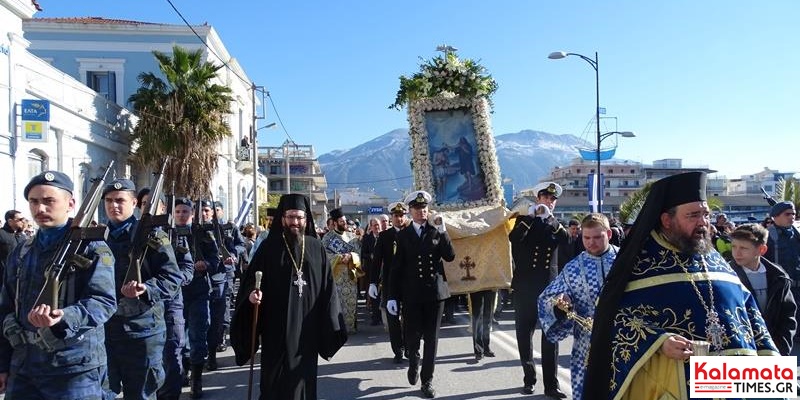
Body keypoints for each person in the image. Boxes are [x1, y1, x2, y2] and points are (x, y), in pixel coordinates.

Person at [583, 172, 779, 400]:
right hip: (677, 384)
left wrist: (774, 374)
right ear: (667, 220)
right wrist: (659, 342)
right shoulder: (638, 265)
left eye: (706, 214)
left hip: (736, 381)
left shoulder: (715, 259)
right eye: (693, 215)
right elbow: (612, 322)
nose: (703, 222)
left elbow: (751, 315)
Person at [0, 171, 117, 398]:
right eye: (34, 202)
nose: (40, 209)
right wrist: (2, 364)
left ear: (70, 204)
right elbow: (5, 307)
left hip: (74, 368)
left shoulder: (91, 248)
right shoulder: (22, 251)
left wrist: (64, 317)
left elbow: (103, 301)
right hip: (25, 365)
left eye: (48, 201)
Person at [230, 193, 347, 400]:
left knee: (303, 381)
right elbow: (250, 283)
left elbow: (328, 287)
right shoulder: (269, 247)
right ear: (282, 218)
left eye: (299, 217)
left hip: (307, 331)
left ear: (306, 219)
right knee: (274, 382)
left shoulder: (316, 246)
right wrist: (251, 297)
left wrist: (330, 322)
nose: (295, 222)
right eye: (290, 217)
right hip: (275, 328)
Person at [102, 179, 182, 400]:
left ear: (134, 203)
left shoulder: (153, 235)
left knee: (140, 394)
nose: (113, 205)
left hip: (142, 330)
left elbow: (173, 278)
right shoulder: (94, 237)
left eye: (120, 200)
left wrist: (146, 288)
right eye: (108, 200)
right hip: (104, 329)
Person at [538, 213, 619, 400]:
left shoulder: (625, 261)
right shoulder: (573, 268)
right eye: (587, 238)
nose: (591, 243)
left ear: (609, 234)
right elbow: (546, 298)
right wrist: (561, 302)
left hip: (624, 339)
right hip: (587, 344)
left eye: (598, 237)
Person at [387, 190, 455, 399]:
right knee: (413, 335)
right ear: (410, 211)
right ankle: (413, 360)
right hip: (412, 295)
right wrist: (391, 296)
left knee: (432, 339)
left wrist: (444, 232)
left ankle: (427, 380)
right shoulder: (403, 235)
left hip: (434, 294)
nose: (421, 212)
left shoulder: (436, 232)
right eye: (417, 209)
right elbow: (396, 269)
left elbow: (450, 256)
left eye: (424, 208)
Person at [508, 181, 567, 398]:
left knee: (550, 337)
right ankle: (529, 377)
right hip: (525, 287)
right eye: (545, 198)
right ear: (537, 199)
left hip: (549, 289)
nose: (549, 202)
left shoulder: (556, 224)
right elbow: (513, 239)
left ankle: (551, 384)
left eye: (552, 199)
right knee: (524, 334)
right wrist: (531, 218)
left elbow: (567, 242)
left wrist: (550, 219)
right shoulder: (524, 221)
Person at [136, 188, 195, 400]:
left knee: (171, 353)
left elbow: (186, 267)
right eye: (144, 203)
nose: (147, 208)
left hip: (170, 303)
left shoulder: (172, 235)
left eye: (153, 204)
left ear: (162, 208)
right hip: (139, 308)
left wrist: (175, 281)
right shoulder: (130, 234)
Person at [174, 197, 220, 398]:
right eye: (178, 212)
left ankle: (197, 377)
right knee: (178, 337)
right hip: (175, 293)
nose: (181, 215)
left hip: (199, 290)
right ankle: (182, 370)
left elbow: (215, 259)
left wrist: (206, 265)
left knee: (198, 333)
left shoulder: (202, 233)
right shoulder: (167, 234)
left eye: (185, 212)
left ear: (192, 214)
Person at [730, 223, 796, 355]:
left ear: (761, 250)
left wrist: (782, 349)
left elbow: (787, 316)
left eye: (743, 248)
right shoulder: (727, 276)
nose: (737, 252)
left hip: (774, 350)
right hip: (741, 350)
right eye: (734, 246)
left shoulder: (779, 277)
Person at [369, 202, 408, 363]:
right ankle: (397, 350)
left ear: (405, 216)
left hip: (409, 283)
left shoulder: (412, 233)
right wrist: (372, 282)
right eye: (396, 216)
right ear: (391, 218)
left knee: (410, 318)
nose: (399, 219)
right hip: (390, 284)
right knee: (393, 319)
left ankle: (409, 346)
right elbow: (377, 261)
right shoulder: (385, 236)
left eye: (401, 215)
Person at [322, 208, 362, 333]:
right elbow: (324, 256)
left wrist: (351, 256)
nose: (344, 224)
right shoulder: (327, 238)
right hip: (335, 276)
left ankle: (350, 327)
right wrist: (339, 257)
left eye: (345, 221)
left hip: (350, 276)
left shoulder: (352, 237)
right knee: (337, 303)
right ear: (334, 223)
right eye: (341, 222)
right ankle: (338, 328)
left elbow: (359, 254)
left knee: (350, 302)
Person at [763, 201, 800, 327]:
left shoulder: (795, 234)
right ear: (776, 216)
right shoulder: (768, 235)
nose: (792, 217)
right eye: (787, 214)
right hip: (780, 287)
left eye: (793, 214)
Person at [361, 217, 382, 325]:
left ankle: (383, 316)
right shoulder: (367, 238)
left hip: (383, 270)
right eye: (374, 225)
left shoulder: (384, 236)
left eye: (378, 224)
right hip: (372, 269)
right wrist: (370, 256)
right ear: (371, 227)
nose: (377, 227)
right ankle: (375, 317)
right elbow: (363, 253)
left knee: (383, 294)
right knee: (374, 294)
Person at [0, 210, 27, 284]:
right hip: (3, 278)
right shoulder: (1, 234)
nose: (23, 221)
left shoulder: (23, 236)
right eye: (20, 219)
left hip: (20, 278)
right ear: (10, 221)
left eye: (23, 219)